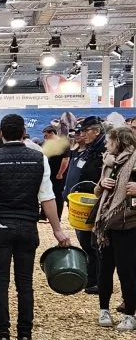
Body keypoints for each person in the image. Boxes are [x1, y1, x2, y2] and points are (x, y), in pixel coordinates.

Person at [0, 114, 72, 340]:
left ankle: (2, 338)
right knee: (25, 284)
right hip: (28, 228)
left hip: (1, 228)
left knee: (1, 284)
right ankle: (25, 338)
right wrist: (58, 230)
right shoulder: (39, 159)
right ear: (24, 132)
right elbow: (47, 197)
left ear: (2, 134)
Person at [92, 126, 136, 330]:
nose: (106, 145)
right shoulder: (108, 163)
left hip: (128, 222)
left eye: (110, 141)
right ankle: (104, 310)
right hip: (105, 223)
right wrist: (102, 185)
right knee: (105, 268)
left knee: (126, 270)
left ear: (119, 141)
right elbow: (96, 192)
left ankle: (130, 315)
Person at [64, 116, 108, 295]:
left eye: (84, 131)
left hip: (93, 203)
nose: (81, 134)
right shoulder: (87, 150)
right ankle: (91, 278)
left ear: (96, 131)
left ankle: (98, 280)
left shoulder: (103, 151)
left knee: (94, 243)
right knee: (85, 241)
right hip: (80, 202)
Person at [41, 125, 70, 220]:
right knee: (46, 192)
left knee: (57, 195)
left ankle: (58, 216)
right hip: (48, 173)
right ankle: (44, 214)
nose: (45, 138)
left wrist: (60, 173)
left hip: (58, 175)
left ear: (52, 133)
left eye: (46, 136)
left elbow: (65, 159)